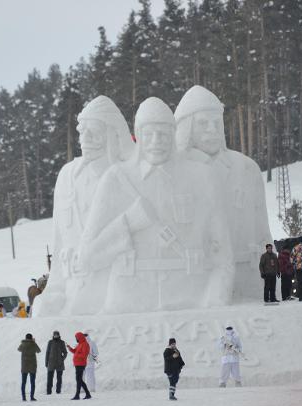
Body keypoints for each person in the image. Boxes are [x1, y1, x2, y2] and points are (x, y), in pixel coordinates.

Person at [78, 97, 232, 313]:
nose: (156, 141)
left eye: (163, 134)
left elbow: (223, 255)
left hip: (189, 297)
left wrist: (216, 300)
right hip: (126, 302)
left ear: (173, 135)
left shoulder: (202, 177)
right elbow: (86, 258)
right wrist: (127, 223)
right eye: (149, 134)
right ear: (138, 136)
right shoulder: (116, 178)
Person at [35, 95, 135, 318]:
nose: (86, 138)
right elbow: (60, 241)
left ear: (110, 134)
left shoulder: (127, 176)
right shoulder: (67, 176)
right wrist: (54, 291)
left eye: (94, 131)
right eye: (83, 131)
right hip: (72, 288)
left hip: (113, 291)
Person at [175, 85, 272, 302]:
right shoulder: (173, 172)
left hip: (248, 277)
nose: (212, 129)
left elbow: (262, 228)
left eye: (216, 123)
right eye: (203, 123)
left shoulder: (247, 168)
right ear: (187, 128)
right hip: (194, 281)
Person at [66, 332, 91, 400]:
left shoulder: (85, 344)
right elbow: (75, 351)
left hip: (81, 364)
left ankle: (77, 395)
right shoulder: (79, 344)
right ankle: (87, 394)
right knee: (79, 380)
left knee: (78, 380)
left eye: (77, 337)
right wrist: (70, 348)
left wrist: (76, 355)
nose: (76, 339)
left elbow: (84, 355)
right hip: (77, 364)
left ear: (80, 337)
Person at [18, 333, 41, 401]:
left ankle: (24, 397)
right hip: (32, 366)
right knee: (32, 382)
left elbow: (19, 349)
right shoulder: (33, 344)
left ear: (25, 338)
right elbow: (38, 351)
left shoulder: (23, 344)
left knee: (23, 382)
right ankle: (32, 397)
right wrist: (34, 342)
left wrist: (23, 342)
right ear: (31, 338)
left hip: (24, 366)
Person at [46, 330, 67, 394]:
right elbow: (47, 352)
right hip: (51, 363)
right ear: (53, 335)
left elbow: (65, 352)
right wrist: (46, 362)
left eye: (57, 335)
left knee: (59, 379)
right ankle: (49, 391)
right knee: (49, 378)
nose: (56, 336)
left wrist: (62, 359)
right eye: (55, 335)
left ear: (59, 335)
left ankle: (58, 391)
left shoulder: (62, 342)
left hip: (59, 364)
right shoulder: (50, 342)